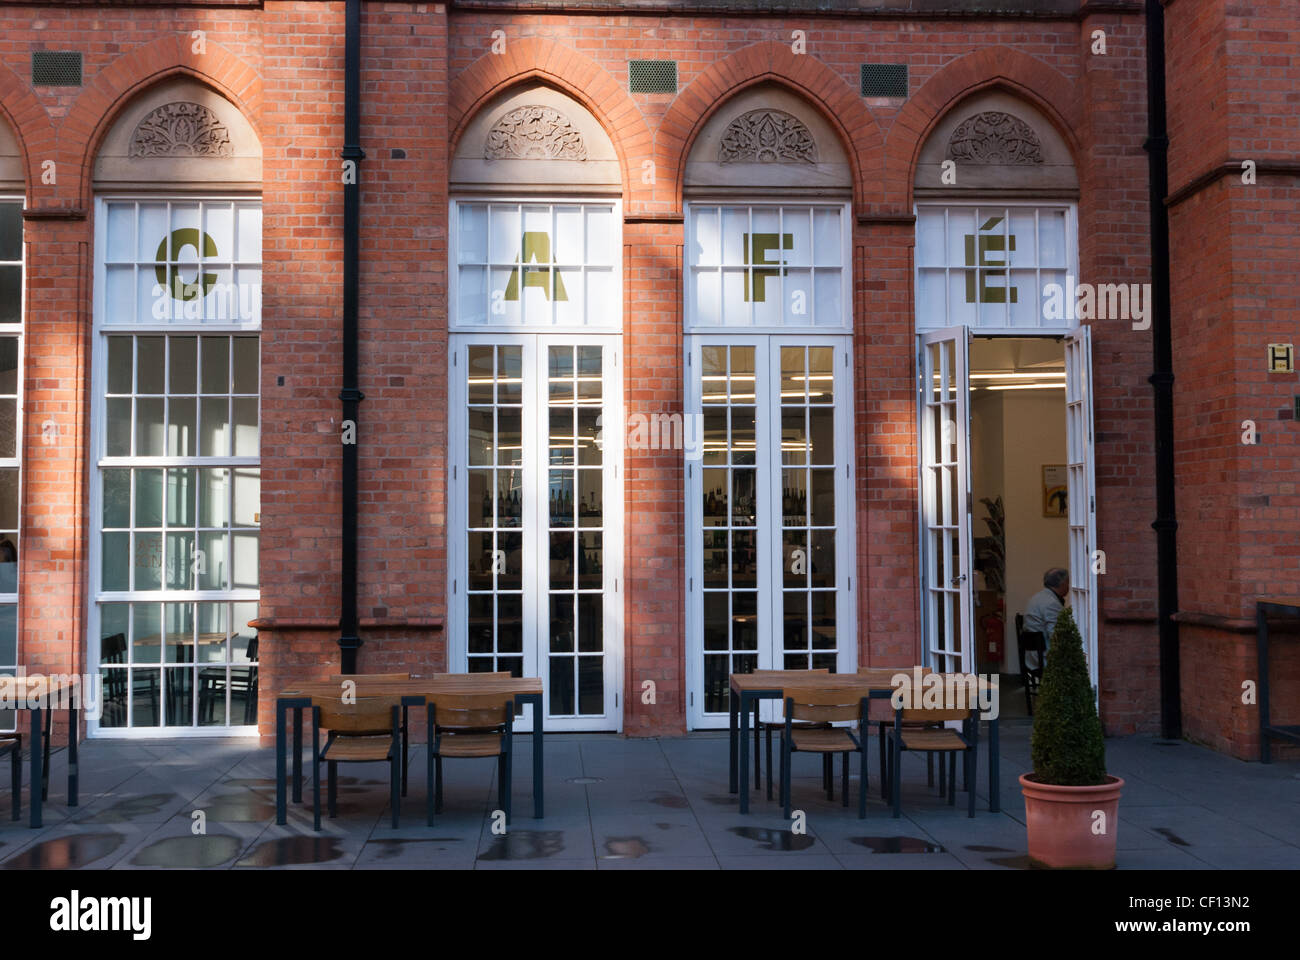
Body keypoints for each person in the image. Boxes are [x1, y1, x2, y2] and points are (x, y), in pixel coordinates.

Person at [1023, 567, 1069, 668]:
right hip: (1044, 657)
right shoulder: (1051, 603)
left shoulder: (1036, 598)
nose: (1069, 586)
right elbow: (1056, 636)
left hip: (1032, 656)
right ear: (1062, 584)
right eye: (1068, 582)